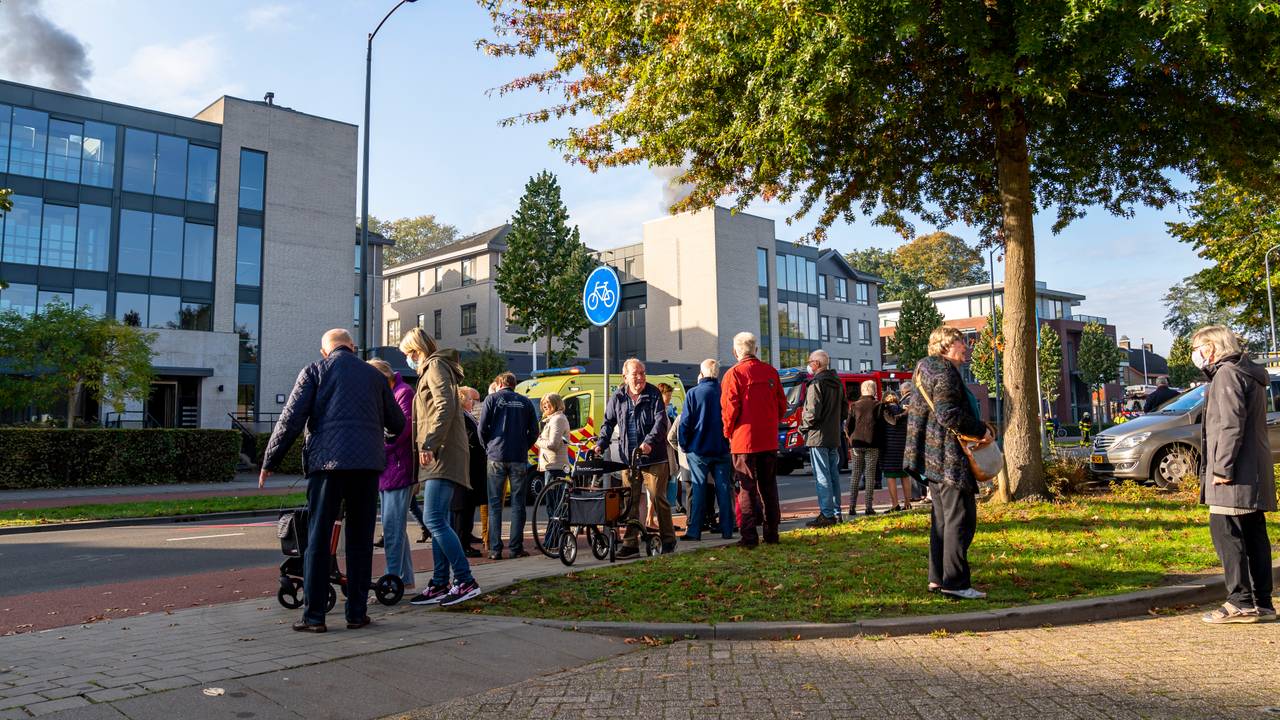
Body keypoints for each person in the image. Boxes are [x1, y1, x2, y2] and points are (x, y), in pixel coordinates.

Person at [259, 329, 405, 632]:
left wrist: (269, 460)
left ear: (325, 351)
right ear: (352, 347)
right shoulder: (375, 376)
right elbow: (397, 422)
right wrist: (382, 438)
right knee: (361, 539)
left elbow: (291, 419)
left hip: (326, 466)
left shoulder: (315, 370)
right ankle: (357, 613)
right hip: (366, 467)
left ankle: (314, 617)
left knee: (318, 539)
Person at [1193, 325, 1276, 624]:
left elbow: (1230, 425)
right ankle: (1263, 603)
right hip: (1251, 471)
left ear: (1212, 348)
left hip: (1234, 473)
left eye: (1199, 347)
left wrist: (1221, 468)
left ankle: (1239, 602)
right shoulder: (1248, 373)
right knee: (1254, 533)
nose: (1197, 353)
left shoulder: (1227, 375)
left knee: (1226, 531)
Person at [905, 325, 992, 600]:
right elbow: (947, 413)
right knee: (961, 519)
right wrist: (981, 430)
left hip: (932, 456)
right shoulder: (944, 372)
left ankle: (937, 578)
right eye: (960, 343)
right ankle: (955, 583)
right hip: (948, 457)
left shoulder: (924, 369)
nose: (965, 347)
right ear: (944, 346)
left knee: (942, 520)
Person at [399, 327, 480, 607]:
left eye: (408, 354)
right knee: (438, 520)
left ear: (416, 350)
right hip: (439, 453)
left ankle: (465, 579)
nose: (407, 360)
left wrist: (429, 444)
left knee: (433, 519)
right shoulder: (435, 368)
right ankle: (439, 582)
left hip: (441, 454)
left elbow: (444, 406)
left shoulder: (434, 366)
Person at [599, 358, 677, 556]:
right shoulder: (617, 397)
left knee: (659, 498)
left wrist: (649, 443)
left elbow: (660, 422)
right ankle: (631, 544)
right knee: (631, 501)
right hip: (629, 458)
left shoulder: (653, 394)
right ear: (625, 377)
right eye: (636, 374)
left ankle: (668, 539)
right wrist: (601, 444)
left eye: (643, 373)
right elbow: (608, 423)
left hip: (654, 457)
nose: (640, 377)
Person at [721, 332, 787, 549]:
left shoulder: (734, 374)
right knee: (769, 486)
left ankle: (749, 536)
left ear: (735, 351)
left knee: (746, 487)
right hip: (767, 438)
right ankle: (772, 532)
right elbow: (781, 406)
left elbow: (730, 409)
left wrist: (728, 432)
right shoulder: (770, 372)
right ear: (755, 350)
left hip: (744, 439)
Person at [367, 359, 416, 591]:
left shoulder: (402, 393)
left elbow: (402, 430)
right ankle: (404, 578)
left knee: (392, 527)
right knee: (396, 527)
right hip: (389, 469)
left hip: (397, 467)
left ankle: (392, 580)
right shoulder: (392, 392)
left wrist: (376, 446)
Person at [478, 371, 538, 560]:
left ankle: (495, 549)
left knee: (495, 504)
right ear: (514, 384)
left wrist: (488, 447)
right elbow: (534, 431)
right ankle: (515, 548)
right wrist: (523, 445)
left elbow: (482, 428)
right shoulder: (525, 402)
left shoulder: (491, 399)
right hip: (518, 457)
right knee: (518, 504)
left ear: (499, 382)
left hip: (496, 456)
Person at [679, 359, 735, 540]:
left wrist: (685, 444)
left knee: (699, 489)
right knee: (724, 489)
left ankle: (695, 530)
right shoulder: (724, 392)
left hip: (698, 449)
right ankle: (727, 529)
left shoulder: (693, 394)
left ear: (701, 373)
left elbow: (685, 423)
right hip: (722, 448)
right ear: (717, 373)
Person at [799, 350, 846, 527]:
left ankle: (827, 514)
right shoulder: (837, 383)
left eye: (810, 361)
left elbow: (812, 412)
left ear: (816, 364)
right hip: (833, 435)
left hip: (818, 436)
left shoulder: (816, 383)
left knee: (822, 475)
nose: (809, 364)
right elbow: (844, 410)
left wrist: (803, 428)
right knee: (833, 474)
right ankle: (836, 512)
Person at [454, 386, 486, 558]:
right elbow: (469, 438)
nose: (472, 402)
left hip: (473, 469)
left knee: (468, 508)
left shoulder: (468, 415)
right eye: (469, 399)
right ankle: (462, 543)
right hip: (467, 469)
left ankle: (465, 537)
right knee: (463, 509)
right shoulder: (461, 417)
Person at [846, 379, 882, 517]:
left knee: (855, 474)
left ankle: (851, 507)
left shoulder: (855, 405)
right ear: (873, 390)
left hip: (856, 443)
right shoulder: (878, 405)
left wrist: (850, 439)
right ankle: (868, 507)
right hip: (872, 443)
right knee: (870, 475)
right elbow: (882, 425)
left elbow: (848, 426)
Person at [878, 391, 911, 512]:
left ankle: (895, 504)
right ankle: (908, 503)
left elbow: (891, 422)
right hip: (903, 447)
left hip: (889, 449)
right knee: (905, 476)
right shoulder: (904, 410)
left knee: (891, 477)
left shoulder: (884, 412)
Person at [900, 381, 927, 503]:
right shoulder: (919, 398)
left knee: (912, 466)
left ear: (903, 391)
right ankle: (924, 492)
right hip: (922, 436)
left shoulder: (905, 402)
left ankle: (915, 494)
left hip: (910, 437)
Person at [536, 392, 571, 488]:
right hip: (552, 465)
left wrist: (537, 440)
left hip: (555, 466)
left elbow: (553, 444)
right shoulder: (552, 419)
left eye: (548, 402)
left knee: (552, 501)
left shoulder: (557, 419)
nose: (545, 406)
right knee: (552, 500)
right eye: (543, 403)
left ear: (556, 404)